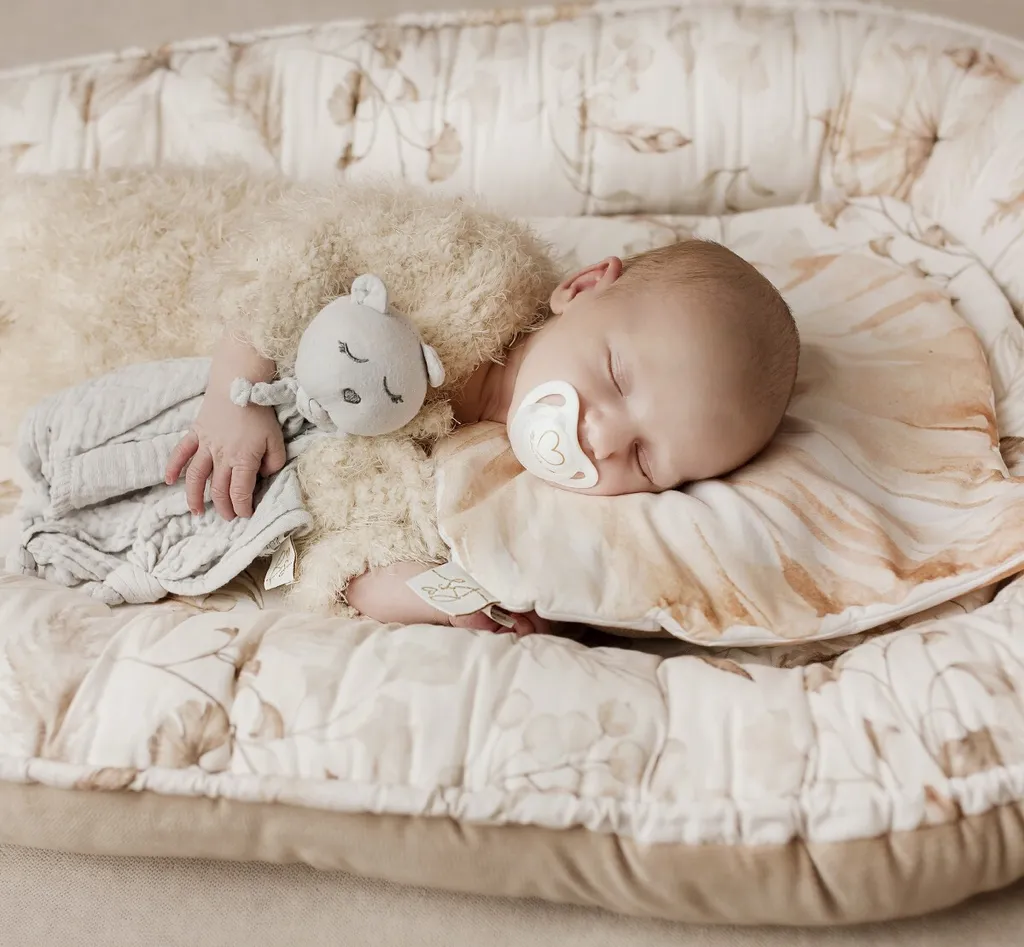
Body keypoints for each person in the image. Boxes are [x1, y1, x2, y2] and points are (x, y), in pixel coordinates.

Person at [167, 239, 800, 636]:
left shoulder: (483, 483)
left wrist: (447, 599)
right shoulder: (467, 275)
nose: (604, 441)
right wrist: (233, 392)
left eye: (644, 460)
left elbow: (329, 552)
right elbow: (291, 257)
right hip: (191, 301)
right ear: (582, 289)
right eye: (617, 376)